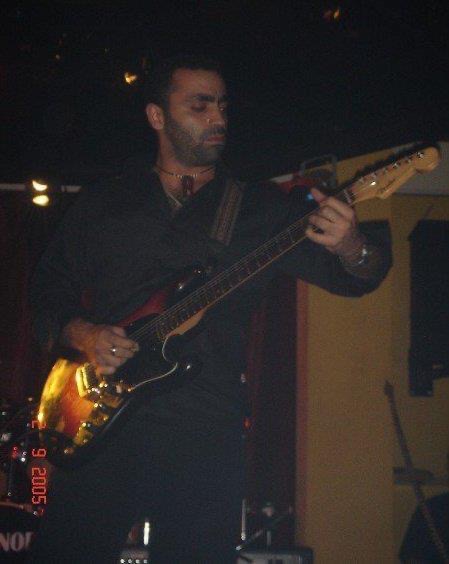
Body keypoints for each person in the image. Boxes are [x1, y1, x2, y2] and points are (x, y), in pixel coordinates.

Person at [27, 54, 392, 563]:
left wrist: (352, 245)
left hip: (204, 425)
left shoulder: (261, 209)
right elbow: (46, 294)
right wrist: (86, 334)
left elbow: (357, 277)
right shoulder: (104, 203)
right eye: (200, 106)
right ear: (157, 116)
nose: (218, 118)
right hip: (100, 420)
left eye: (222, 105)